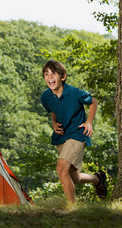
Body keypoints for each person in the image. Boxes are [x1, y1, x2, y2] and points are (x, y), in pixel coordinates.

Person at [40, 59, 107, 204]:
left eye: (54, 73)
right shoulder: (45, 97)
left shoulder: (75, 93)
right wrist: (54, 122)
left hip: (77, 134)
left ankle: (72, 208)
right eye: (46, 74)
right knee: (73, 177)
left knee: (61, 169)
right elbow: (53, 111)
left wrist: (89, 122)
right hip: (61, 136)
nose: (50, 77)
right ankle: (97, 179)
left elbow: (93, 101)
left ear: (63, 77)